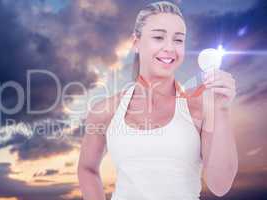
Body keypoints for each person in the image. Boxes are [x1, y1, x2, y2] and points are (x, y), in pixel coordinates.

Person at [77, 1, 238, 200]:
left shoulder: (199, 107)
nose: (169, 48)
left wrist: (221, 109)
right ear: (136, 42)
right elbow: (87, 168)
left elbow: (220, 185)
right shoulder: (106, 111)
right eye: (158, 37)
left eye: (178, 40)